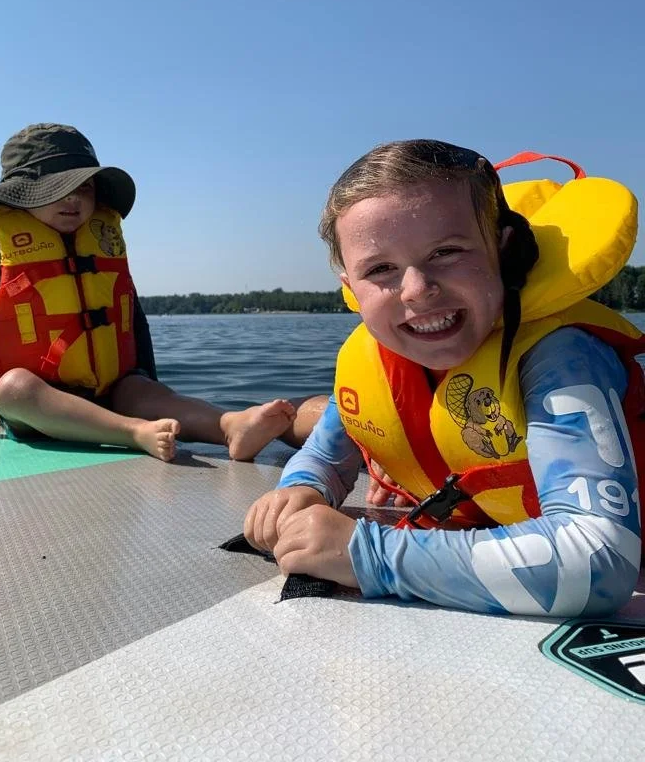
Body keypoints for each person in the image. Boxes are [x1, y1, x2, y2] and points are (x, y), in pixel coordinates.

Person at [244, 141, 645, 617]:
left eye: (447, 251)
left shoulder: (563, 357)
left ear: (505, 251)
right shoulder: (375, 358)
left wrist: (371, 556)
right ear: (351, 289)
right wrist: (303, 489)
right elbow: (326, 454)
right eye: (381, 269)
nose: (418, 290)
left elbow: (601, 561)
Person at [0, 123, 318, 461]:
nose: (74, 199)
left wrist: (148, 384)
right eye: (56, 188)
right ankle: (133, 433)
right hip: (41, 404)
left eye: (85, 187)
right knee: (12, 388)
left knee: (140, 390)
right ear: (21, 200)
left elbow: (134, 325)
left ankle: (229, 425)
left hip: (110, 389)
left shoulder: (105, 251)